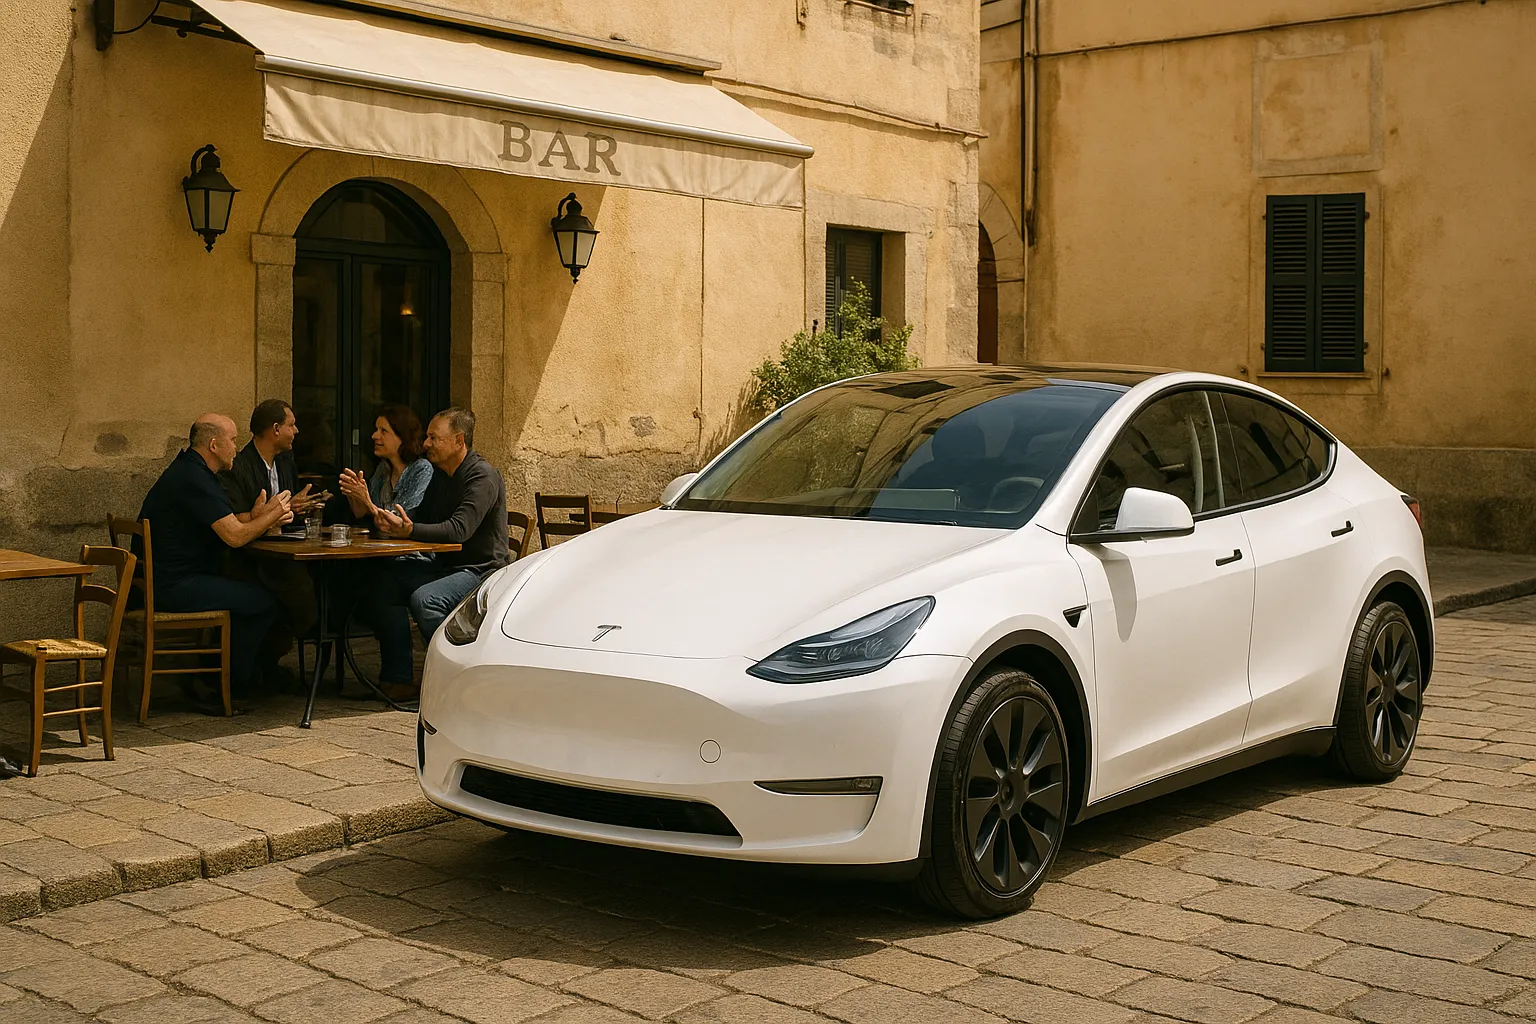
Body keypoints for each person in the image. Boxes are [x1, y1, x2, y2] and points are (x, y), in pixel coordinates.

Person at [137, 414, 293, 706]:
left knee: (250, 591)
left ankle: (222, 678)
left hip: (164, 579)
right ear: (213, 445)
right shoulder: (194, 478)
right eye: (233, 441)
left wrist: (256, 516)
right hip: (173, 586)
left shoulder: (191, 471)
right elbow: (234, 536)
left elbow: (226, 521)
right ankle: (226, 686)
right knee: (262, 602)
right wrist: (274, 513)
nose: (236, 448)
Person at [367, 407, 510, 699]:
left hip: (481, 570)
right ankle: (399, 680)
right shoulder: (443, 475)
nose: (426, 443)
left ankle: (458, 680)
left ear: (459, 441)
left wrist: (409, 531)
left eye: (434, 437)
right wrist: (395, 520)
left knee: (427, 600)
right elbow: (424, 516)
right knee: (385, 584)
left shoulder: (481, 476)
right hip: (445, 565)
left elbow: (459, 530)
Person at [219, 399, 321, 685]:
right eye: (291, 425)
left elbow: (284, 510)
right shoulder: (239, 465)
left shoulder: (286, 461)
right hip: (248, 558)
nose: (297, 431)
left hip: (281, 552)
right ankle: (259, 665)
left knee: (314, 587)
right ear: (276, 429)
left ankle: (267, 661)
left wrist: (297, 507)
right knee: (296, 596)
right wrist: (267, 515)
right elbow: (235, 518)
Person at [338, 405, 433, 521]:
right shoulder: (383, 469)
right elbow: (363, 514)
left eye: (384, 431)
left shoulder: (421, 468)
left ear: (402, 436)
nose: (374, 436)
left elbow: (398, 518)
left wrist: (367, 501)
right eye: (376, 430)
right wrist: (354, 494)